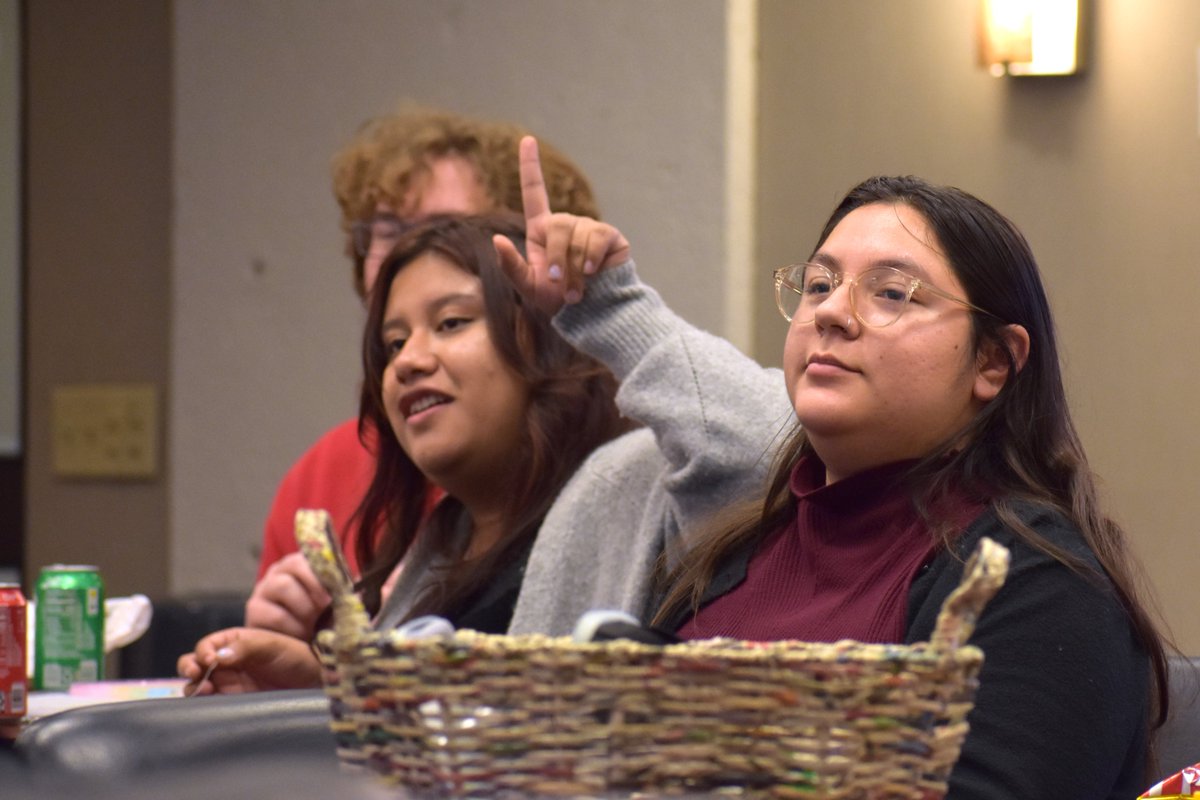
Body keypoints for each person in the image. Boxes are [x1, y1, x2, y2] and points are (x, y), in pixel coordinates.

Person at [493, 140, 1168, 798]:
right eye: (819, 284)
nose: (832, 314)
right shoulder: (729, 556)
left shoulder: (1044, 588)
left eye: (892, 293)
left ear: (994, 361)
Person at [180, 213, 630, 692]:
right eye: (394, 344)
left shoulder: (629, 482)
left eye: (451, 322)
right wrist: (315, 693)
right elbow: (426, 737)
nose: (409, 361)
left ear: (546, 340)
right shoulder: (439, 549)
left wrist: (624, 307)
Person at [246, 107, 601, 640]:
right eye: (384, 232)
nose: (406, 254)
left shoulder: (615, 482)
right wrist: (292, 658)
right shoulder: (322, 472)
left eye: (446, 230)